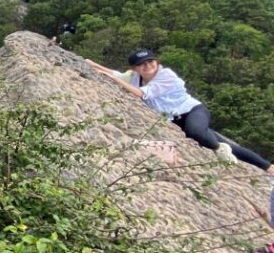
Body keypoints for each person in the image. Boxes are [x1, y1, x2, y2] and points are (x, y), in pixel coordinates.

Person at [88, 49, 274, 174]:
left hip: (192, 110)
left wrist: (112, 78)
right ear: (135, 68)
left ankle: (219, 149)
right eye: (142, 64)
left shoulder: (166, 75)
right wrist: (91, 64)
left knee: (196, 132)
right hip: (174, 119)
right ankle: (268, 168)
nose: (148, 65)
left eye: (150, 61)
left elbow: (140, 95)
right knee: (221, 141)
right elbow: (117, 74)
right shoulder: (135, 77)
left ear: (156, 62)